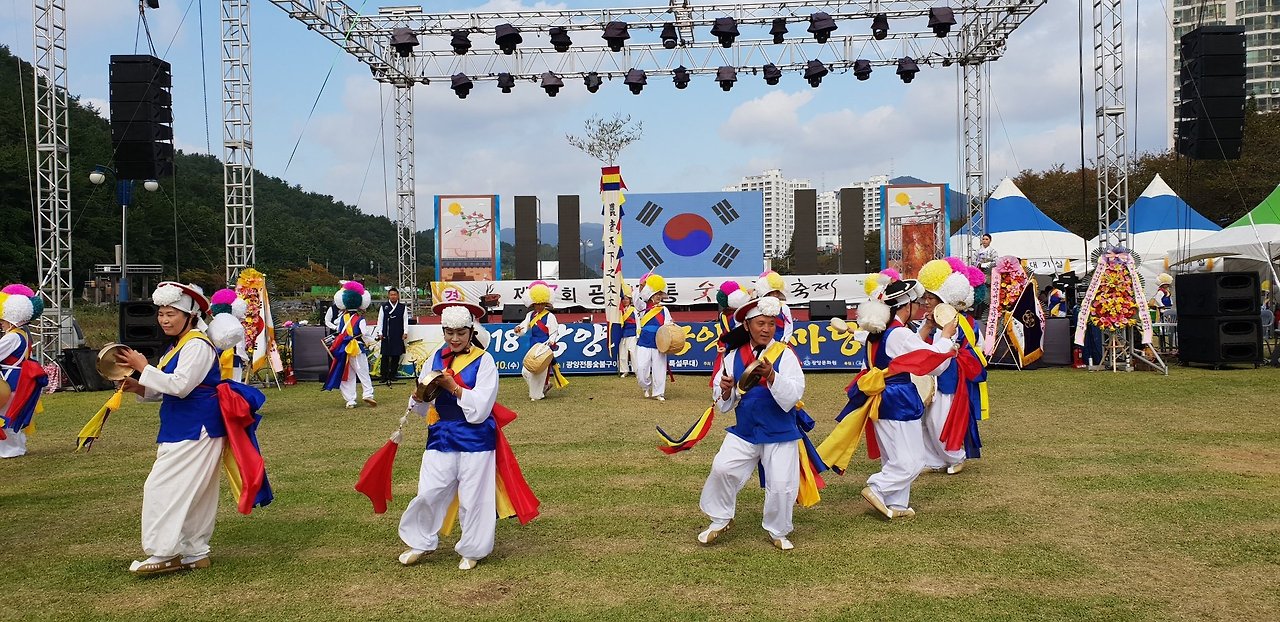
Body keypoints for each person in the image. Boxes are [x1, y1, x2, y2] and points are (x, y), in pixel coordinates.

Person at [114, 282, 270, 575]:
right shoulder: (181, 344)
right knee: (195, 491)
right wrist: (140, 386)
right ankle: (195, 551)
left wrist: (143, 367)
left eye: (171, 313)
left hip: (196, 426)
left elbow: (181, 386)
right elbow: (172, 387)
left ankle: (164, 552)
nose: (164, 320)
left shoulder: (196, 344)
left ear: (190, 315)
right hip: (189, 423)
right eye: (161, 313)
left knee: (163, 487)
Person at [398, 301, 538, 571]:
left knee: (474, 498)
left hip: (476, 439)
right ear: (443, 332)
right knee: (429, 491)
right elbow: (423, 405)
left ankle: (473, 549)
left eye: (461, 333)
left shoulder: (484, 361)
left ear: (471, 332)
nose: (455, 338)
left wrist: (455, 388)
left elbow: (483, 407)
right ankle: (420, 542)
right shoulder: (434, 358)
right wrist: (417, 397)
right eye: (449, 332)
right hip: (440, 435)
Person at [817, 279, 956, 520]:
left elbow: (907, 350)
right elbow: (931, 360)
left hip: (882, 398)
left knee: (894, 456)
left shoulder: (881, 331)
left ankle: (897, 503)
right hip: (898, 398)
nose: (920, 306)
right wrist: (945, 336)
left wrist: (927, 327)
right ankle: (878, 488)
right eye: (917, 303)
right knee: (913, 460)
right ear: (907, 306)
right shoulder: (899, 334)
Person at [697, 295, 824, 551]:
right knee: (722, 468)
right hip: (746, 429)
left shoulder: (785, 354)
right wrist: (725, 390)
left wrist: (772, 376)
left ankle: (778, 530)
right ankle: (721, 518)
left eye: (771, 324)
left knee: (781, 485)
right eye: (760, 323)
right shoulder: (732, 356)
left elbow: (795, 394)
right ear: (747, 326)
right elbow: (724, 402)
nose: (766, 329)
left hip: (779, 430)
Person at [915, 261, 988, 475]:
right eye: (925, 297)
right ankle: (934, 460)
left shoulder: (956, 321)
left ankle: (956, 456)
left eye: (930, 298)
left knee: (940, 420)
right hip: (929, 376)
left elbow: (973, 346)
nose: (926, 301)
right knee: (926, 421)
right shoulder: (930, 321)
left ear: (942, 299)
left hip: (948, 378)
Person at [0, 285, 48, 459]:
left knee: (6, 415)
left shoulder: (12, 337)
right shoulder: (23, 334)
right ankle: (15, 447)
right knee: (12, 413)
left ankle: (11, 450)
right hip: (17, 379)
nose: (1, 322)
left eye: (3, 319)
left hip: (10, 380)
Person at [323, 280, 377, 408]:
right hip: (357, 348)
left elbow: (339, 330)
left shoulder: (341, 318)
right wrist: (373, 341)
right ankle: (368, 394)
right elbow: (364, 333)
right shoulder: (360, 319)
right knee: (363, 372)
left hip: (344, 349)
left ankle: (350, 399)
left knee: (347, 374)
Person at [513, 282, 567, 401]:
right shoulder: (530, 315)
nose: (539, 306)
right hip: (533, 346)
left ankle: (537, 394)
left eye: (542, 304)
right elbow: (523, 327)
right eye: (537, 304)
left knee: (541, 372)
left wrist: (550, 342)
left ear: (545, 303)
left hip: (544, 347)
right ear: (533, 303)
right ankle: (543, 387)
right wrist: (518, 329)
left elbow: (554, 332)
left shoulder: (550, 316)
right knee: (526, 371)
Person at [634, 274, 673, 401]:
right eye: (656, 294)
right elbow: (636, 300)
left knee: (659, 369)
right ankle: (645, 386)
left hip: (659, 343)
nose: (658, 297)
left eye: (660, 294)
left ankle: (658, 393)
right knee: (641, 368)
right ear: (651, 295)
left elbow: (668, 325)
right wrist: (641, 287)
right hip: (644, 342)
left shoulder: (664, 310)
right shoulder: (643, 307)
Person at [374, 287, 410, 386]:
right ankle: (384, 376)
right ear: (388, 296)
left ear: (397, 296)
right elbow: (380, 321)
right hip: (386, 334)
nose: (393, 296)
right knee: (385, 356)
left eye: (395, 294)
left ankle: (393, 375)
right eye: (391, 295)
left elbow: (405, 320)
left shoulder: (402, 307)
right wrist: (380, 332)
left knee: (396, 355)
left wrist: (405, 332)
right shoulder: (384, 307)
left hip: (398, 333)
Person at [754, 271, 794, 343]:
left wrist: (785, 339)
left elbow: (789, 325)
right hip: (762, 340)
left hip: (779, 340)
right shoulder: (758, 306)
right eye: (772, 292)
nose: (775, 295)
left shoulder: (784, 307)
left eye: (777, 292)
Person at [615, 285, 639, 378]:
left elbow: (638, 322)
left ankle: (636, 371)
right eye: (623, 299)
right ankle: (624, 370)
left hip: (632, 333)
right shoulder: (619, 311)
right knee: (623, 353)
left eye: (627, 299)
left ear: (630, 300)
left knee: (633, 353)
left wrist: (638, 333)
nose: (625, 301)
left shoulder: (634, 310)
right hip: (622, 334)